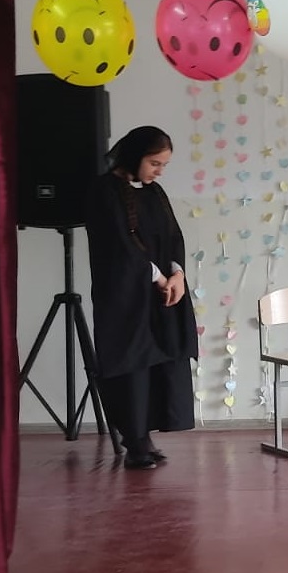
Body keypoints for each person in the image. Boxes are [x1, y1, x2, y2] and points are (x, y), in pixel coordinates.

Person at [85, 126, 198, 470]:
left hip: (161, 294)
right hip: (126, 297)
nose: (159, 171)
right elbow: (117, 246)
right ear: (135, 156)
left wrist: (177, 274)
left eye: (163, 165)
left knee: (161, 360)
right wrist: (157, 276)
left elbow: (173, 236)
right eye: (154, 163)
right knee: (133, 363)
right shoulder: (104, 191)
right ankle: (134, 442)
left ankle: (144, 437)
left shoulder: (155, 192)